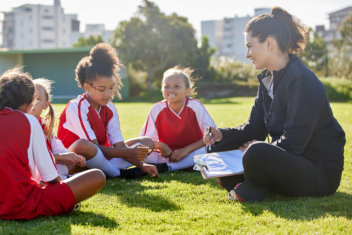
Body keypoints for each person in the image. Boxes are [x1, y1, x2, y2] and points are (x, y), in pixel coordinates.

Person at [204, 7, 345, 202]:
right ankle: (252, 183)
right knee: (220, 146)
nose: (247, 54)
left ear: (269, 43)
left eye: (250, 46)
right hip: (290, 162)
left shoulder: (302, 80)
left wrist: (256, 148)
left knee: (256, 152)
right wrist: (221, 135)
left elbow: (293, 143)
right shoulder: (268, 80)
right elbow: (254, 128)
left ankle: (254, 186)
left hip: (317, 172)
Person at [0, 69, 105, 219]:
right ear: (29, 103)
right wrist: (65, 195)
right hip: (16, 205)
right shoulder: (28, 121)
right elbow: (50, 177)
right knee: (97, 176)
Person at [57, 43, 160, 179]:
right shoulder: (76, 107)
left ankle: (106, 170)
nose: (108, 94)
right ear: (87, 87)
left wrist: (141, 165)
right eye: (101, 89)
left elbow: (119, 144)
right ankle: (117, 173)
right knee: (85, 145)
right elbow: (93, 148)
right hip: (75, 160)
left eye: (111, 88)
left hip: (101, 158)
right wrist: (128, 153)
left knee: (147, 142)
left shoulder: (110, 107)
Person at [140, 66, 216, 171]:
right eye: (166, 86)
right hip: (167, 155)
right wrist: (161, 146)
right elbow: (144, 141)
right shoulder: (156, 109)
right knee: (140, 150)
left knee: (212, 147)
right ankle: (184, 165)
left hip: (192, 152)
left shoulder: (195, 106)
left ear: (187, 91)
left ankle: (169, 167)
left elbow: (212, 134)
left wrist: (186, 150)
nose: (171, 90)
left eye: (176, 86)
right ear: (162, 89)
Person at [29, 78, 96, 179]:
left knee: (74, 164)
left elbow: (57, 148)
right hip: (34, 172)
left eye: (38, 99)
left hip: (48, 168)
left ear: (46, 105)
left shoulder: (44, 125)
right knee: (94, 176)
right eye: (30, 98)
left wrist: (73, 157)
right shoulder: (22, 125)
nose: (33, 102)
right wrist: (61, 157)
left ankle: (66, 178)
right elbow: (32, 158)